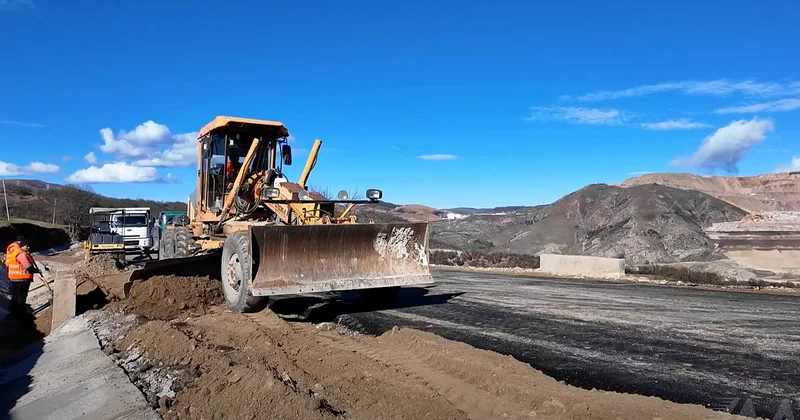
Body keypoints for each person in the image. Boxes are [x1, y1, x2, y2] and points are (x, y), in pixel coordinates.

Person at [4, 239, 40, 317]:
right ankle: (20, 314)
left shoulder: (17, 253)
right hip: (21, 279)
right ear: (22, 246)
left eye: (28, 246)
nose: (28, 247)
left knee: (17, 296)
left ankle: (16, 313)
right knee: (21, 297)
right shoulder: (22, 254)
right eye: (26, 246)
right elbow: (28, 267)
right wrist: (36, 270)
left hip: (15, 278)